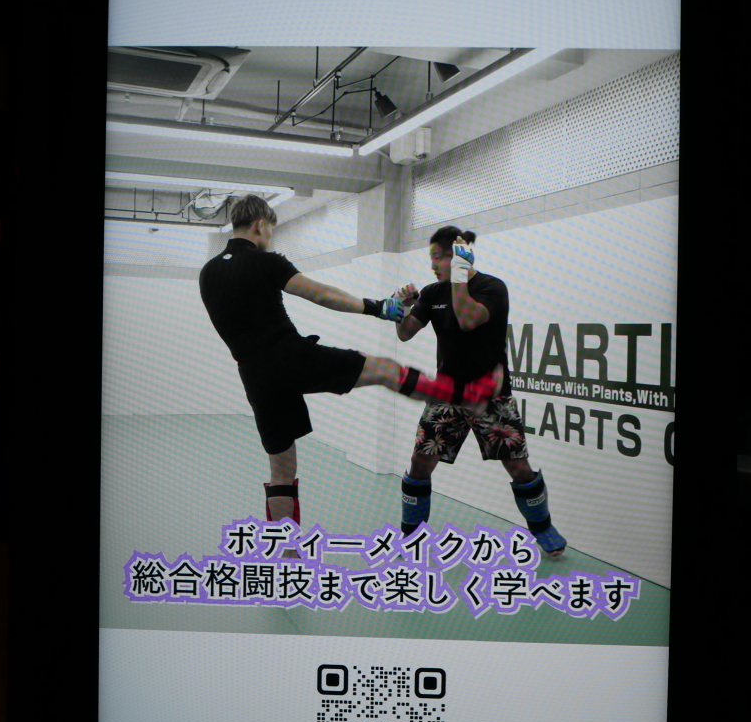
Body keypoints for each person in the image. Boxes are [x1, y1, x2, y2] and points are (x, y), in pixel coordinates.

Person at [199, 196, 502, 526]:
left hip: (255, 376)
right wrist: (376, 307)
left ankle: (285, 550)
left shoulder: (208, 273)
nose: (269, 237)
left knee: (281, 471)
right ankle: (462, 395)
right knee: (385, 370)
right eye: (269, 230)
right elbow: (323, 294)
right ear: (260, 225)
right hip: (290, 357)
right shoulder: (266, 262)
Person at [393, 226, 567, 556]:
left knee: (519, 467)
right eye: (431, 257)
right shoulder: (432, 292)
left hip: (491, 396)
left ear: (456, 256)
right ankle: (411, 536)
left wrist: (459, 274)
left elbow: (467, 319)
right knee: (419, 463)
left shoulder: (491, 287)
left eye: (438, 257)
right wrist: (399, 309)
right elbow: (405, 333)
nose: (432, 265)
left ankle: (543, 528)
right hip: (446, 394)